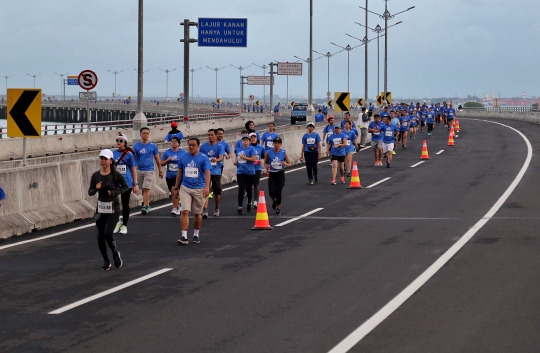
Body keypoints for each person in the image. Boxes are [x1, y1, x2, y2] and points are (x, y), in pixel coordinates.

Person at [88, 149, 129, 271]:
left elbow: (126, 187)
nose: (103, 161)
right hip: (101, 208)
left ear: (111, 161)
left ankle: (115, 252)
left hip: (113, 208)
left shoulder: (116, 175)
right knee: (100, 236)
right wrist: (96, 188)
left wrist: (114, 192)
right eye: (101, 159)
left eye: (105, 159)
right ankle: (106, 260)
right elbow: (90, 192)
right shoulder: (96, 175)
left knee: (107, 233)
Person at [174, 138, 211, 245]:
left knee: (197, 213)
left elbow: (208, 173)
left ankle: (196, 234)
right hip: (185, 187)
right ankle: (184, 236)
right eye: (189, 145)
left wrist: (207, 187)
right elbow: (180, 173)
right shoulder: (183, 157)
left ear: (198, 146)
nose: (191, 147)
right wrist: (176, 187)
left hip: (199, 188)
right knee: (185, 211)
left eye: (193, 145)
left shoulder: (204, 158)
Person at [112, 133, 138, 234]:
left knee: (125, 203)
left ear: (125, 143)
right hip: (115, 182)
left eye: (121, 141)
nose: (119, 142)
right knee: (114, 203)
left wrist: (135, 184)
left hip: (127, 182)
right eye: (117, 140)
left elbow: (133, 169)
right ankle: (117, 221)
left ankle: (124, 225)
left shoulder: (129, 154)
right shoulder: (113, 153)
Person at [134, 127, 163, 214]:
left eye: (147, 133)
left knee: (146, 188)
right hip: (139, 169)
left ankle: (144, 205)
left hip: (149, 170)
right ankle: (147, 204)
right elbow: (133, 158)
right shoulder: (136, 146)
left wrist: (160, 170)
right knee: (143, 188)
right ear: (140, 134)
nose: (145, 135)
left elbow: (157, 159)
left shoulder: (152, 146)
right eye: (144, 133)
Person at [199, 129, 225, 217]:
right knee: (206, 190)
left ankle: (217, 208)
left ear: (215, 136)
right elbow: (200, 157)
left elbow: (221, 157)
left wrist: (216, 160)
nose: (210, 137)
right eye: (209, 135)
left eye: (212, 135)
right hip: (206, 171)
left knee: (217, 192)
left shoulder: (220, 146)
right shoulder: (203, 146)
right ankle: (205, 210)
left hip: (216, 171)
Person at [264, 137, 291, 215]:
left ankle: (278, 208)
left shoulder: (283, 153)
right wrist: (266, 166)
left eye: (278, 143)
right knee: (271, 192)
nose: (276, 145)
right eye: (275, 143)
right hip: (272, 173)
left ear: (280, 144)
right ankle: (275, 200)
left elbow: (289, 163)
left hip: (280, 174)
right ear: (273, 144)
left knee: (278, 192)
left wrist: (285, 164)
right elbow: (265, 162)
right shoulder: (269, 153)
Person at [160, 136, 186, 216]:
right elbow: (161, 163)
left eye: (175, 141)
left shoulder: (183, 152)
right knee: (172, 191)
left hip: (179, 175)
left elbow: (186, 162)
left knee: (176, 191)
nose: (173, 143)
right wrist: (168, 160)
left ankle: (175, 208)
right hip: (169, 175)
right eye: (172, 141)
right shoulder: (167, 152)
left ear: (178, 143)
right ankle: (178, 206)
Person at [234, 135, 258, 214]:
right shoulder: (238, 150)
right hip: (240, 172)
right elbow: (237, 158)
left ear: (249, 141)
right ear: (242, 141)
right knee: (241, 189)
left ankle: (249, 203)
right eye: (244, 140)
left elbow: (254, 159)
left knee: (248, 189)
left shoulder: (252, 149)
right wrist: (236, 162)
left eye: (247, 140)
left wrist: (244, 158)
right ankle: (240, 206)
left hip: (250, 172)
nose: (245, 142)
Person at [249, 132, 265, 208]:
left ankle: (255, 201)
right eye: (251, 138)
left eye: (254, 137)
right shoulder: (247, 147)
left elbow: (264, 156)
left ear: (256, 138)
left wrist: (262, 160)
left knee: (256, 184)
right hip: (249, 168)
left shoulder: (260, 147)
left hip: (257, 168)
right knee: (248, 185)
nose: (253, 139)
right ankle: (249, 201)